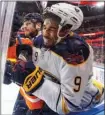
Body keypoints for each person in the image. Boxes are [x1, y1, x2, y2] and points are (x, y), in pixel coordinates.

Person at [4, 3, 104, 115]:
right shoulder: (39, 41)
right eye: (45, 27)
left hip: (80, 103)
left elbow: (70, 105)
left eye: (52, 28)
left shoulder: (76, 53)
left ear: (66, 29)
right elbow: (43, 67)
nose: (45, 34)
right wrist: (24, 59)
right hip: (53, 94)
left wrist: (31, 80)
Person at [4, 12, 45, 115]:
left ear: (38, 25)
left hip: (42, 97)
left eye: (27, 24)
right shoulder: (28, 43)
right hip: (28, 93)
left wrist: (12, 68)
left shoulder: (46, 42)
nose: (24, 27)